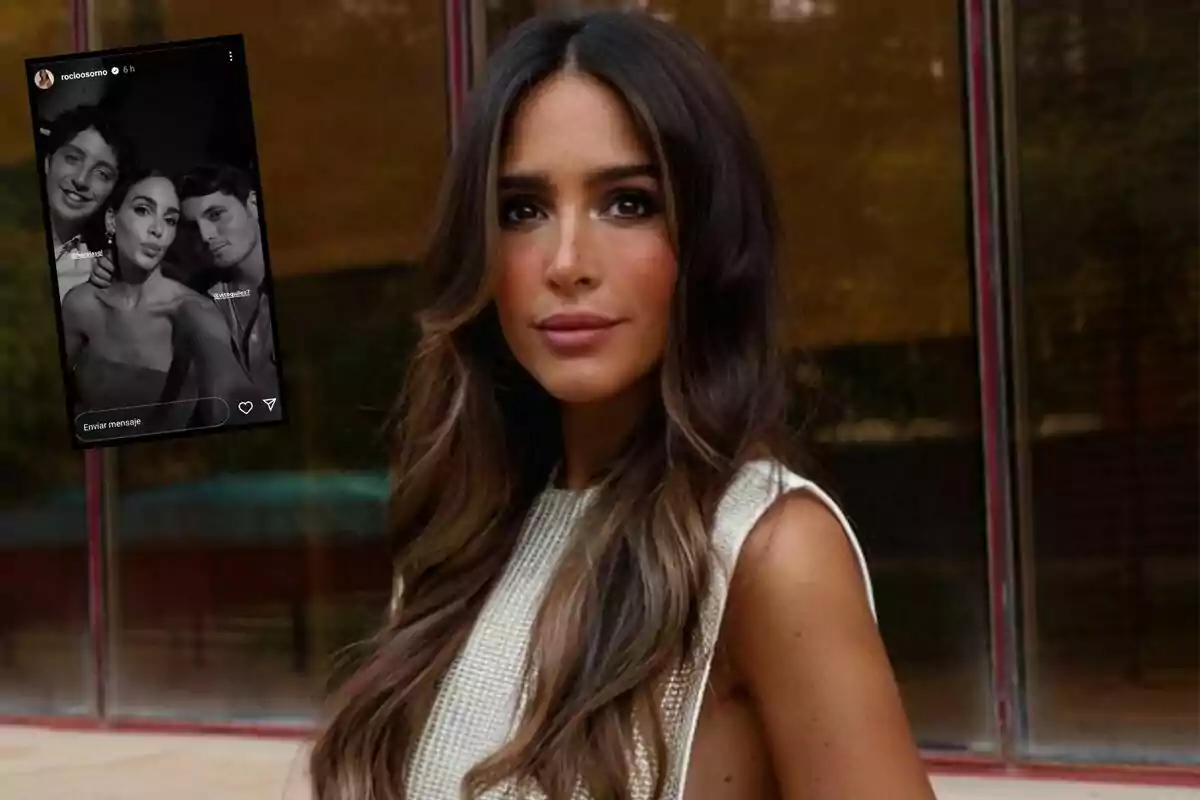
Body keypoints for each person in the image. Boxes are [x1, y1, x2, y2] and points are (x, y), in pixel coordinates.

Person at [309, 11, 935, 800]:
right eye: (522, 210)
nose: (567, 262)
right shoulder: (457, 542)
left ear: (708, 238)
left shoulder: (768, 552)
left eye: (628, 203)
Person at [62, 169, 256, 432]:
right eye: (143, 210)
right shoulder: (81, 304)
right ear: (111, 220)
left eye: (171, 220)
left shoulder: (192, 309)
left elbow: (230, 391)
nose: (158, 229)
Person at [92, 163, 279, 398]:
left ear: (253, 204)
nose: (205, 235)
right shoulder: (200, 293)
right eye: (192, 225)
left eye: (215, 215)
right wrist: (114, 264)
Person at [43, 105, 132, 301]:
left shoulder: (96, 277)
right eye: (73, 158)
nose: (81, 180)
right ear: (48, 163)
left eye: (102, 173)